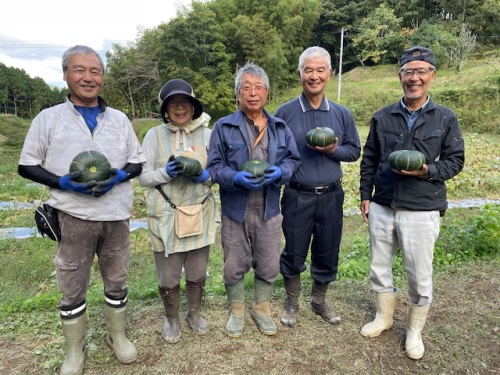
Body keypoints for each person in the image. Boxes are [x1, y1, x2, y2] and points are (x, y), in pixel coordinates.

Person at [18, 45, 144, 375]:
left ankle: (117, 336)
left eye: (95, 71)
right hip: (72, 217)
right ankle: (74, 351)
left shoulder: (119, 119)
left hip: (116, 216)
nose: (88, 77)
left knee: (117, 280)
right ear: (65, 75)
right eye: (79, 70)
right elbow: (27, 165)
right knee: (71, 284)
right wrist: (63, 183)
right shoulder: (48, 118)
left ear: (102, 77)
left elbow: (137, 162)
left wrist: (120, 175)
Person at [359, 46, 465, 359]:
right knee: (379, 267)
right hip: (383, 204)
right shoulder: (383, 116)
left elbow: (455, 161)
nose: (414, 78)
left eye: (421, 71)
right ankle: (384, 317)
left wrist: (426, 170)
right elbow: (370, 159)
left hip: (422, 208)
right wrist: (366, 196)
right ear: (400, 76)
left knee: (419, 275)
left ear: (432, 75)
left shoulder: (445, 118)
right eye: (408, 72)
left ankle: (415, 331)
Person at [207, 62, 300, 338]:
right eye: (246, 87)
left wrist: (280, 172)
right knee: (234, 263)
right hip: (236, 206)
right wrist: (235, 177)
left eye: (258, 87)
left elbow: (293, 160)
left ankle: (261, 309)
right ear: (238, 94)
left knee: (269, 261)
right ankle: (236, 311)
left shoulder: (280, 128)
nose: (252, 93)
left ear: (267, 93)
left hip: (269, 206)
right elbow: (214, 166)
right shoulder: (224, 127)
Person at [275, 46, 361, 327]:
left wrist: (332, 151)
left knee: (328, 248)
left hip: (331, 195)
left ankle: (319, 300)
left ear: (330, 74)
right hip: (297, 194)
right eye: (308, 70)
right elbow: (275, 154)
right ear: (299, 74)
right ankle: (292, 302)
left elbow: (353, 151)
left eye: (320, 70)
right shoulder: (284, 113)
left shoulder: (341, 113)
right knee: (294, 250)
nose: (314, 76)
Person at [138, 79, 218, 344]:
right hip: (166, 214)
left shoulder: (208, 135)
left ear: (193, 107)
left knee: (197, 271)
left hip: (200, 210)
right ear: (166, 109)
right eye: (173, 103)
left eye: (185, 102)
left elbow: (218, 171)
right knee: (169, 274)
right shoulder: (153, 135)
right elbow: (143, 177)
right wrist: (165, 173)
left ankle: (194, 313)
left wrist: (206, 176)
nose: (180, 107)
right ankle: (172, 318)